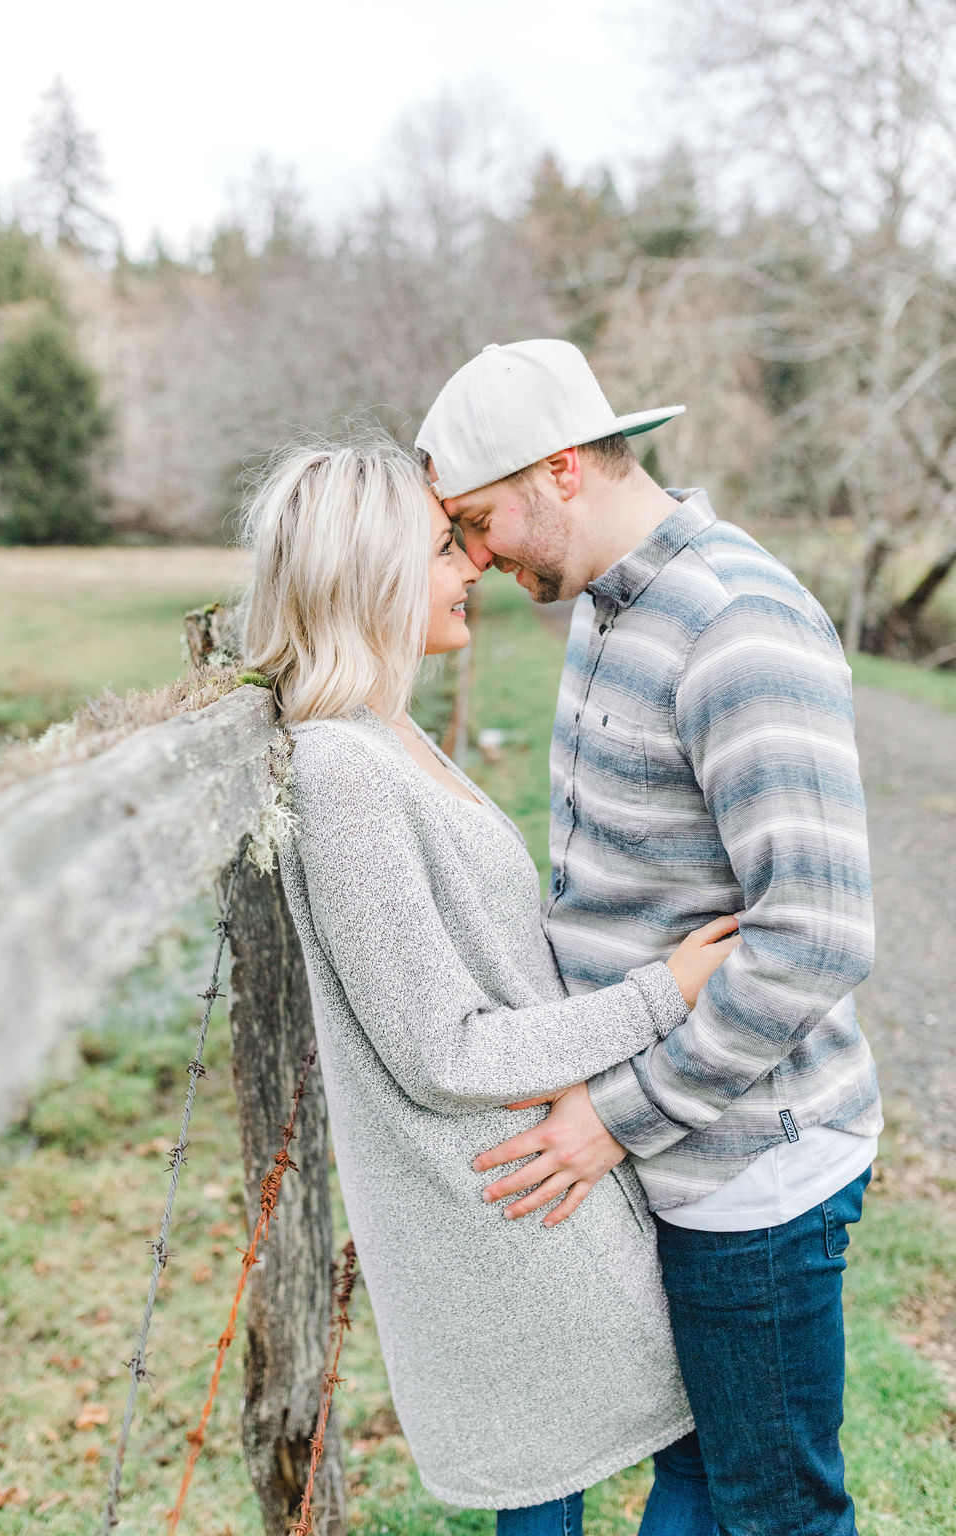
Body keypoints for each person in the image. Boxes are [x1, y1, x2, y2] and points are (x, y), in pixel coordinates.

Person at [415, 338, 883, 1536]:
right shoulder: (612, 607)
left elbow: (816, 936)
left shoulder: (735, 624)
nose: (474, 557)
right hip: (655, 1151)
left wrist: (609, 1118)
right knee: (701, 1488)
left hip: (749, 1171)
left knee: (769, 1512)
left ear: (561, 469)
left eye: (477, 521)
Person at [237, 438, 740, 1533]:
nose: (470, 565)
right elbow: (445, 1048)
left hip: (525, 1182)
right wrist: (668, 991)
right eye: (439, 548)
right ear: (366, 576)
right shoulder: (341, 771)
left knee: (590, 1477)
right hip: (500, 1203)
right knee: (677, 1453)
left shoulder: (386, 734)